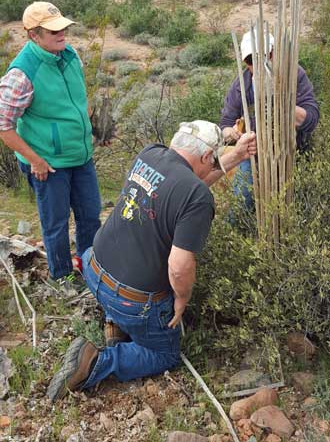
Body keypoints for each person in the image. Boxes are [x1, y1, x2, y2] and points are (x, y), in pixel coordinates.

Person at [46, 120, 257, 402]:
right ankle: (96, 362)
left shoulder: (150, 154)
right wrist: (181, 299)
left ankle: (115, 323)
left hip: (94, 270)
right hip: (131, 299)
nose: (215, 165)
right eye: (214, 160)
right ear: (207, 157)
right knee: (164, 354)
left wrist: (238, 155)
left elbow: (190, 184)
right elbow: (179, 267)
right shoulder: (198, 198)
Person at [0, 2, 101, 286]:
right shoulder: (22, 74)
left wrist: (88, 126)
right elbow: (3, 126)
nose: (62, 33)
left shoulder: (70, 54)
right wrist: (35, 160)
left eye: (63, 27)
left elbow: (77, 99)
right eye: (53, 30)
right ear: (34, 35)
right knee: (56, 225)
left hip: (80, 156)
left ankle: (90, 269)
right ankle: (63, 277)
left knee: (90, 215)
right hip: (48, 164)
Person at [220, 30, 320, 207]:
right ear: (245, 62)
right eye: (251, 60)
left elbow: (311, 119)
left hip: (295, 153)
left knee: (302, 206)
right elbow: (226, 126)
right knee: (240, 207)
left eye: (264, 56)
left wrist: (280, 98)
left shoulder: (294, 75)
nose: (258, 64)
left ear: (273, 52)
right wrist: (234, 133)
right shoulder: (241, 86)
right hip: (255, 156)